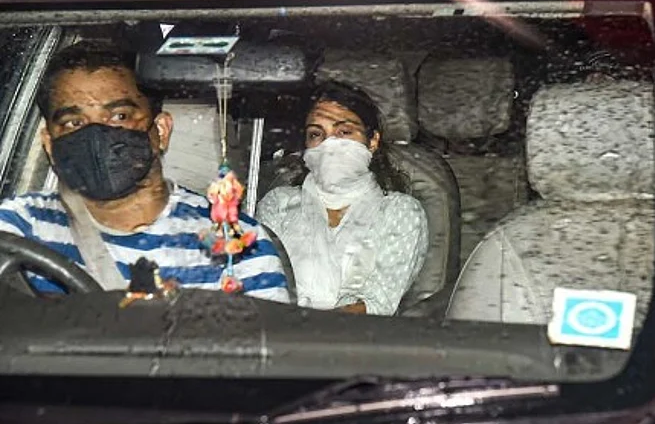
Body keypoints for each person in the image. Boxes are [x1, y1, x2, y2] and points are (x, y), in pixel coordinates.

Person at [0, 40, 290, 301]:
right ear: (49, 144)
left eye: (119, 116)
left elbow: (264, 342)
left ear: (161, 130)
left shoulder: (237, 244)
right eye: (74, 123)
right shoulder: (19, 227)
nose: (97, 136)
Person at [256, 81, 428, 315]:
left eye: (344, 132)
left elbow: (378, 303)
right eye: (316, 134)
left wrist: (310, 331)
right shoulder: (278, 204)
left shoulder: (400, 212)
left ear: (372, 141)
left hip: (355, 335)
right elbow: (261, 285)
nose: (330, 145)